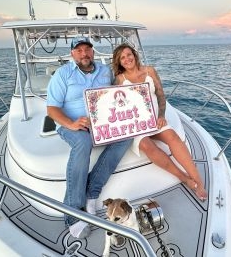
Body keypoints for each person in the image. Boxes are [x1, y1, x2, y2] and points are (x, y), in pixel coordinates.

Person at [46, 36, 132, 239]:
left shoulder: (105, 71)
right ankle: (73, 213)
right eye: (79, 50)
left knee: (127, 137)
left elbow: (116, 93)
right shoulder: (63, 74)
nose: (84, 53)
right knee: (83, 143)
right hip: (71, 124)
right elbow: (52, 108)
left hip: (101, 123)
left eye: (87, 49)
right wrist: (72, 124)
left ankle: (92, 191)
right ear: (72, 54)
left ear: (93, 52)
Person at [112, 43, 207, 201]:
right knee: (147, 146)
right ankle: (184, 178)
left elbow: (161, 95)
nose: (127, 59)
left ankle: (199, 181)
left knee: (173, 137)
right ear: (119, 62)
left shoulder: (150, 71)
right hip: (136, 125)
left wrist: (161, 115)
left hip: (155, 119)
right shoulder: (119, 79)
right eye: (122, 58)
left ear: (134, 55)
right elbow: (117, 105)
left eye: (129, 54)